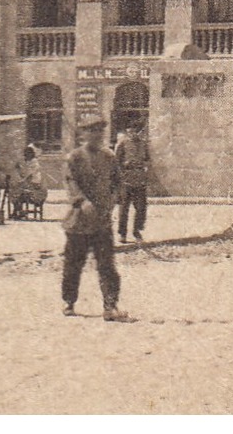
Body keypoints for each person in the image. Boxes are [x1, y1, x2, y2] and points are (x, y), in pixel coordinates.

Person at [61, 118, 126, 321]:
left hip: (102, 221)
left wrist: (114, 200)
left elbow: (118, 183)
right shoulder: (75, 157)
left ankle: (110, 305)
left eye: (100, 131)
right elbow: (71, 183)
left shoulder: (109, 156)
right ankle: (69, 301)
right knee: (73, 264)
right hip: (79, 221)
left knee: (107, 265)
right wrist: (82, 201)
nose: (97, 135)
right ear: (83, 134)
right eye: (92, 131)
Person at [115, 125, 150, 243]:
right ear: (127, 131)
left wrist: (145, 170)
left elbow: (147, 159)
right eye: (130, 131)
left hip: (140, 179)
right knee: (124, 208)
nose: (133, 133)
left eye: (135, 131)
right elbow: (116, 162)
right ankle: (122, 233)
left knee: (141, 208)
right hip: (126, 180)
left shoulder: (143, 144)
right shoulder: (122, 143)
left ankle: (137, 231)